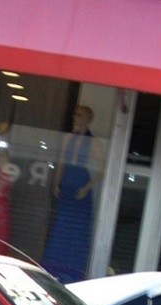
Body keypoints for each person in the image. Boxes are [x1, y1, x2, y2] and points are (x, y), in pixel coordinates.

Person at [42, 105, 105, 282]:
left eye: (80, 115)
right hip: (66, 185)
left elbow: (102, 169)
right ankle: (53, 268)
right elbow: (61, 162)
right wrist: (56, 183)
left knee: (75, 230)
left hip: (79, 186)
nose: (76, 118)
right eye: (75, 114)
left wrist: (86, 187)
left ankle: (72, 273)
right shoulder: (67, 138)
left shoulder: (93, 142)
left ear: (88, 119)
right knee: (60, 227)